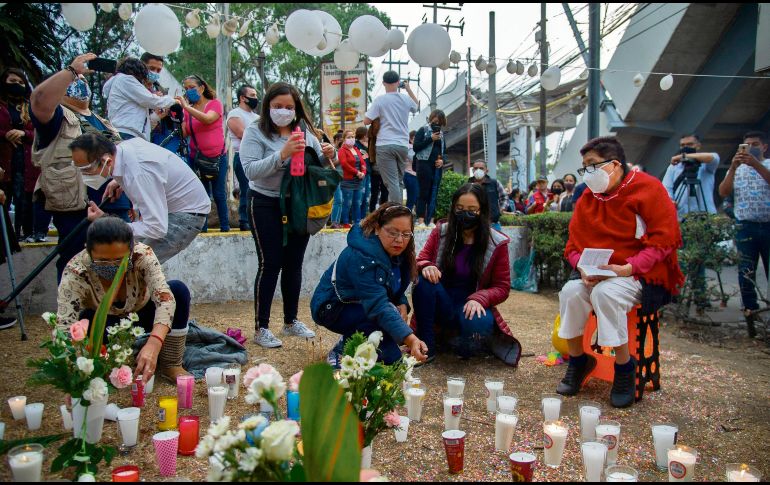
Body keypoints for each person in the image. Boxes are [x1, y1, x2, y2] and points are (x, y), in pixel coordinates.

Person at [556, 136, 683, 408]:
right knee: (570, 292)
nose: (586, 173)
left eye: (591, 165)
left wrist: (629, 267)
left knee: (606, 293)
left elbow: (664, 240)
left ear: (614, 165)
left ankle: (625, 367)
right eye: (584, 167)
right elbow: (572, 246)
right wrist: (581, 266)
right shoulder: (588, 199)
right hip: (596, 275)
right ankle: (579, 361)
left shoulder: (648, 189)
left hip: (637, 275)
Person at [239, 82, 337, 348]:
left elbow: (321, 164)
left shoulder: (304, 131)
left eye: (289, 107)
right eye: (277, 106)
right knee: (270, 263)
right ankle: (261, 328)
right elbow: (250, 170)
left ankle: (291, 320)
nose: (283, 111)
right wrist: (282, 155)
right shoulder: (255, 131)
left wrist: (330, 153)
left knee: (293, 263)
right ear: (267, 106)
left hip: (298, 205)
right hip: (265, 203)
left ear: (297, 109)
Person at [29, 52, 131, 282]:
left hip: (116, 204)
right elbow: (39, 100)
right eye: (75, 79)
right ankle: (73, 317)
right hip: (77, 206)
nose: (80, 81)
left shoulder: (103, 121)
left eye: (82, 78)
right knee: (76, 263)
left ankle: (116, 316)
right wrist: (71, 71)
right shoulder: (57, 117)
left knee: (119, 264)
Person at [57, 216, 193, 383]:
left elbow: (164, 299)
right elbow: (64, 324)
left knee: (177, 291)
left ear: (131, 250)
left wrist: (154, 344)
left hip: (142, 315)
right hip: (103, 325)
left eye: (120, 260)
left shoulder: (142, 255)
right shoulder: (75, 273)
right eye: (103, 261)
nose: (112, 266)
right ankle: (104, 362)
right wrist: (70, 372)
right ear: (89, 251)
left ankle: (171, 363)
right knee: (86, 325)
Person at [412, 183, 520, 365]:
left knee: (477, 326)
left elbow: (502, 287)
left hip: (471, 303)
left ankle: (462, 344)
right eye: (460, 209)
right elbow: (421, 259)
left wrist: (480, 298)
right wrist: (426, 266)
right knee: (423, 282)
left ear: (482, 211)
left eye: (472, 210)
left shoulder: (496, 242)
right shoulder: (442, 232)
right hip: (442, 299)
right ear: (453, 208)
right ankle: (427, 346)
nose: (465, 214)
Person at [311, 203, 428, 365]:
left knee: (389, 351)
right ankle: (343, 348)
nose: (399, 240)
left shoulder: (400, 254)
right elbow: (378, 305)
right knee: (392, 360)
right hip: (332, 307)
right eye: (393, 232)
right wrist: (411, 339)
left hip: (362, 305)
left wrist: (401, 302)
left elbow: (393, 286)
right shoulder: (363, 257)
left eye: (406, 234)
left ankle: (356, 337)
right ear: (377, 228)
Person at [70, 132, 210, 264]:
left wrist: (108, 224)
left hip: (185, 216)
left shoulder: (138, 174)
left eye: (86, 170)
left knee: (134, 267)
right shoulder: (123, 152)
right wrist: (119, 181)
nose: (84, 175)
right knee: (122, 262)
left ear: (107, 161)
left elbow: (156, 228)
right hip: (170, 210)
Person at [718, 131, 770, 338]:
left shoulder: (767, 164)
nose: (749, 148)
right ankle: (750, 313)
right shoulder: (737, 169)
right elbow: (723, 191)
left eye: (754, 144)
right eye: (746, 145)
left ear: (764, 146)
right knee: (745, 271)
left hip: (768, 225)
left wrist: (756, 164)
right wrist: (732, 167)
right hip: (744, 226)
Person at [0, 68, 48, 242]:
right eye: (12, 82)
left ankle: (27, 232)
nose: (17, 86)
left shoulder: (31, 107)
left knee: (26, 198)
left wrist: (24, 134)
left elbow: (41, 132)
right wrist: (5, 134)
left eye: (20, 82)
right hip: (4, 159)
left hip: (26, 160)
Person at [176, 74, 228, 232]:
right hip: (196, 158)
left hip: (218, 157)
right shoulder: (187, 111)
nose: (189, 91)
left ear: (202, 87)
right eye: (186, 89)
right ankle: (202, 228)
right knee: (201, 195)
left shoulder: (215, 104)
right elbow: (183, 133)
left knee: (219, 194)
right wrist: (175, 114)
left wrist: (186, 107)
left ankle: (225, 226)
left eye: (192, 87)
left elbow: (207, 119)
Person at [364, 71, 419, 204]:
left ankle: (396, 211)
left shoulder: (380, 100)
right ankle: (398, 209)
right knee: (398, 180)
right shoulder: (405, 99)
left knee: (391, 181)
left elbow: (366, 121)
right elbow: (416, 106)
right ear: (398, 82)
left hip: (385, 144)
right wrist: (408, 89)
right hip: (402, 145)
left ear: (383, 83)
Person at [103, 57, 176, 141]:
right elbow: (151, 100)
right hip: (128, 133)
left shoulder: (118, 82)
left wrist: (156, 116)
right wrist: (173, 100)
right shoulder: (126, 79)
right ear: (136, 72)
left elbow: (135, 113)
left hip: (123, 132)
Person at [662, 133, 719, 219]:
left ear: (698, 146)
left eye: (690, 144)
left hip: (706, 216)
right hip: (681, 216)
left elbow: (714, 158)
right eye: (682, 145)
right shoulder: (674, 166)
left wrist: (684, 156)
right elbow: (666, 188)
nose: (686, 147)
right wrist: (671, 201)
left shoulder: (706, 165)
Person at [227, 84, 260, 231]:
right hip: (242, 156)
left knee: (258, 189)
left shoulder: (258, 117)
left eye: (256, 96)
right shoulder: (235, 114)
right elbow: (243, 134)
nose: (255, 98)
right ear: (242, 98)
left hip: (260, 157)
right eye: (252, 95)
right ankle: (244, 220)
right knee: (246, 188)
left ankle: (256, 218)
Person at [414, 110, 447, 228]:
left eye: (440, 122)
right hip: (423, 164)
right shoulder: (423, 130)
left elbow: (445, 152)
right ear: (431, 118)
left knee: (434, 193)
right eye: (435, 121)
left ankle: (431, 220)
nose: (437, 124)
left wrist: (443, 160)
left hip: (437, 167)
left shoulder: (442, 135)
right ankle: (421, 219)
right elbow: (416, 147)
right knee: (424, 192)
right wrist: (430, 139)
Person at [338, 129, 367, 228]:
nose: (351, 139)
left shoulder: (356, 149)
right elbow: (344, 164)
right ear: (344, 139)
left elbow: (363, 163)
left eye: (353, 137)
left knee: (357, 203)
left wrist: (363, 172)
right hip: (348, 181)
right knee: (347, 203)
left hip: (358, 181)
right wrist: (357, 172)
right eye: (349, 137)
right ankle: (345, 222)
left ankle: (357, 222)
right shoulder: (342, 150)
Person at [469, 160, 507, 231]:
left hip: (493, 224)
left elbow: (504, 197)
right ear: (473, 170)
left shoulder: (494, 183)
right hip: (472, 225)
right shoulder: (468, 184)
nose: (478, 170)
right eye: (476, 168)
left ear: (486, 171)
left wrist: (500, 210)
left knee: (495, 242)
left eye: (481, 168)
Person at [365, 122, 389, 213]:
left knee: (385, 192)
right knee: (374, 193)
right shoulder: (373, 137)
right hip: (375, 169)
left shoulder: (387, 138)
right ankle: (372, 212)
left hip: (385, 169)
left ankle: (383, 212)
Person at [355, 126, 372, 217]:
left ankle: (363, 218)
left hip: (368, 173)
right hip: (360, 174)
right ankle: (357, 218)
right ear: (364, 135)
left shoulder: (369, 145)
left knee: (366, 197)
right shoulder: (356, 145)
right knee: (359, 198)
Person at [404, 130, 418, 212]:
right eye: (415, 139)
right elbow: (413, 159)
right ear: (411, 139)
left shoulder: (415, 148)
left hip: (415, 175)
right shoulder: (409, 147)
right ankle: (407, 215)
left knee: (416, 198)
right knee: (412, 198)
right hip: (410, 174)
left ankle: (412, 217)